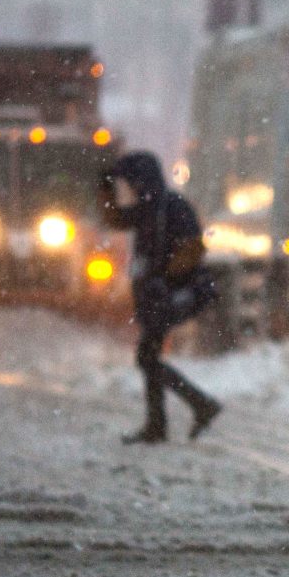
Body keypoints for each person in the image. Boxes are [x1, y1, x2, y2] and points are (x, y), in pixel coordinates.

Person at [97, 151, 222, 444]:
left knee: (147, 357)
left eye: (130, 182)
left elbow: (194, 247)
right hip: (158, 296)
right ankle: (168, 420)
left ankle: (195, 408)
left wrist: (165, 279)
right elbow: (114, 218)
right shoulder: (149, 209)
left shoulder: (171, 207)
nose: (128, 189)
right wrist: (105, 190)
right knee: (148, 358)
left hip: (171, 295)